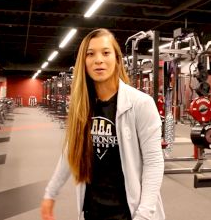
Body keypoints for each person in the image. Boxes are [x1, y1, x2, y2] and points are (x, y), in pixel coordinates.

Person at [41, 28, 165, 220]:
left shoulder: (141, 103)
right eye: (90, 54)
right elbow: (70, 151)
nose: (98, 60)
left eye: (105, 52)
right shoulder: (82, 105)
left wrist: (144, 215)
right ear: (84, 61)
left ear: (116, 58)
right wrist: (51, 192)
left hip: (129, 212)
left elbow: (154, 163)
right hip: (92, 209)